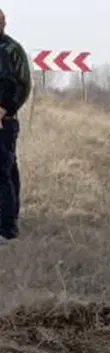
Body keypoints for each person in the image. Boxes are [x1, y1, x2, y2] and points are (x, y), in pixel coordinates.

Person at [0, 8, 30, 242]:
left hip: (4, 121)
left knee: (3, 173)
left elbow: (21, 85)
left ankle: (7, 229)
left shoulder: (12, 50)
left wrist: (5, 109)